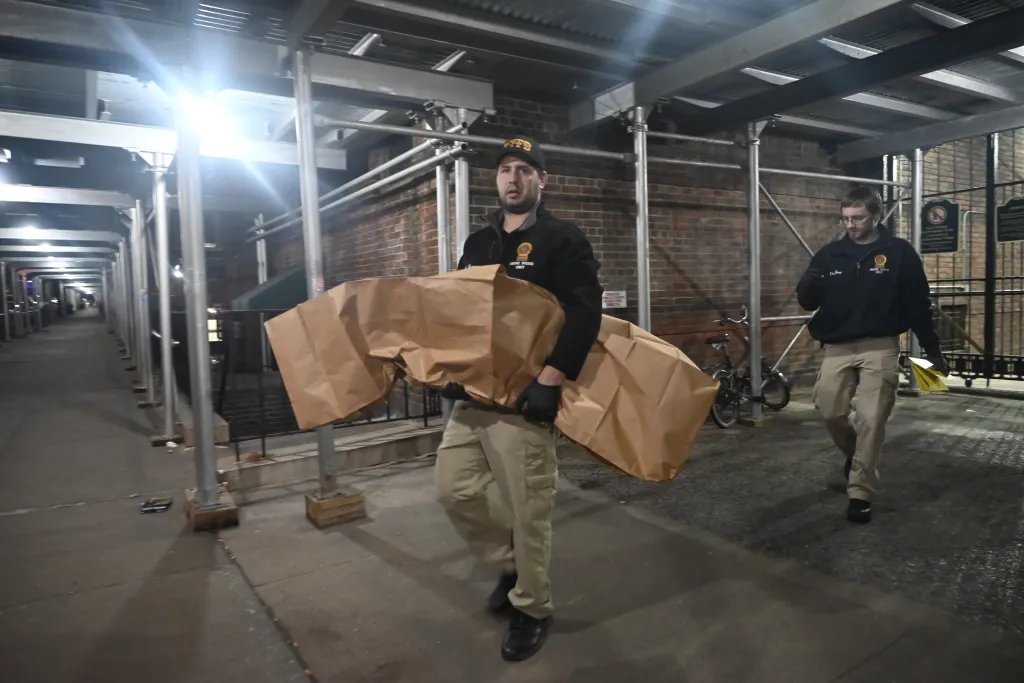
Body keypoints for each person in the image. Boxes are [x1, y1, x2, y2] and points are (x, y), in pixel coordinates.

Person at [435, 135, 603, 661]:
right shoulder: (478, 244)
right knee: (454, 489)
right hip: (475, 397)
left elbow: (584, 313)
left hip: (526, 400)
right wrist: (450, 369)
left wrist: (550, 381)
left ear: (541, 181)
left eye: (525, 170)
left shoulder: (561, 240)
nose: (513, 178)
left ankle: (531, 607)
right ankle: (510, 566)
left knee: (529, 510)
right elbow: (463, 312)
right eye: (506, 169)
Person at [796, 186, 949, 524]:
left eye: (858, 218)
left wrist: (933, 351)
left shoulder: (898, 253)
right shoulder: (830, 255)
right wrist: (806, 285)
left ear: (876, 215)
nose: (850, 225)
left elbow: (918, 306)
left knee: (872, 419)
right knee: (830, 410)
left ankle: (860, 492)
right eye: (846, 218)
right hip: (837, 346)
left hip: (880, 345)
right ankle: (855, 456)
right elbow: (809, 302)